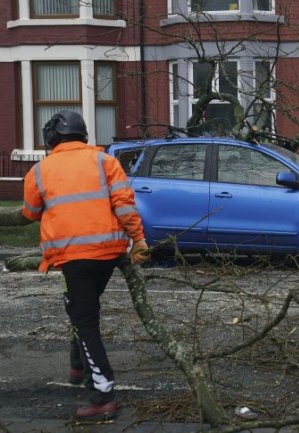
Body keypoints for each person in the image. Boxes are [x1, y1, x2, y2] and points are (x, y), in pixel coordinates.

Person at [21, 110, 151, 419]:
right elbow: (124, 205)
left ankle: (103, 394)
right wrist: (139, 241)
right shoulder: (105, 161)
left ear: (51, 139)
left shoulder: (40, 171)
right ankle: (78, 364)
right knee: (82, 309)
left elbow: (29, 211)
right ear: (83, 135)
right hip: (108, 255)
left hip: (73, 259)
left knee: (85, 320)